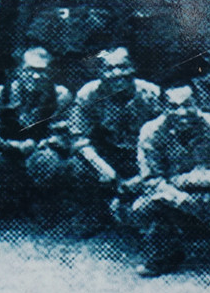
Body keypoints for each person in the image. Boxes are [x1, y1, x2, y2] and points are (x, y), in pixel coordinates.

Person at [123, 80, 210, 277]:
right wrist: (180, 198)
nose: (182, 113)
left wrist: (184, 180)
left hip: (209, 192)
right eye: (173, 107)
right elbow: (151, 180)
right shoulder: (151, 132)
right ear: (162, 108)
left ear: (198, 104)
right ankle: (164, 254)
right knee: (144, 207)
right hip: (170, 195)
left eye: (188, 105)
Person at [67, 48, 163, 214]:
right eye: (110, 69)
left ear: (133, 68)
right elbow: (79, 138)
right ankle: (91, 213)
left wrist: (144, 174)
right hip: (108, 155)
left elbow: (165, 140)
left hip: (141, 156)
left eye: (123, 67)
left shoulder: (151, 93)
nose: (117, 74)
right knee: (77, 166)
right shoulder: (88, 94)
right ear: (100, 73)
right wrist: (103, 168)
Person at [0, 47, 74, 221]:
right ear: (19, 71)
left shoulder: (60, 96)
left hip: (41, 149)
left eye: (41, 71)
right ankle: (1, 205)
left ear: (50, 72)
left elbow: (64, 133)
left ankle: (42, 205)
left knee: (50, 161)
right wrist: (13, 146)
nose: (35, 76)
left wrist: (45, 144)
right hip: (6, 149)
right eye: (30, 70)